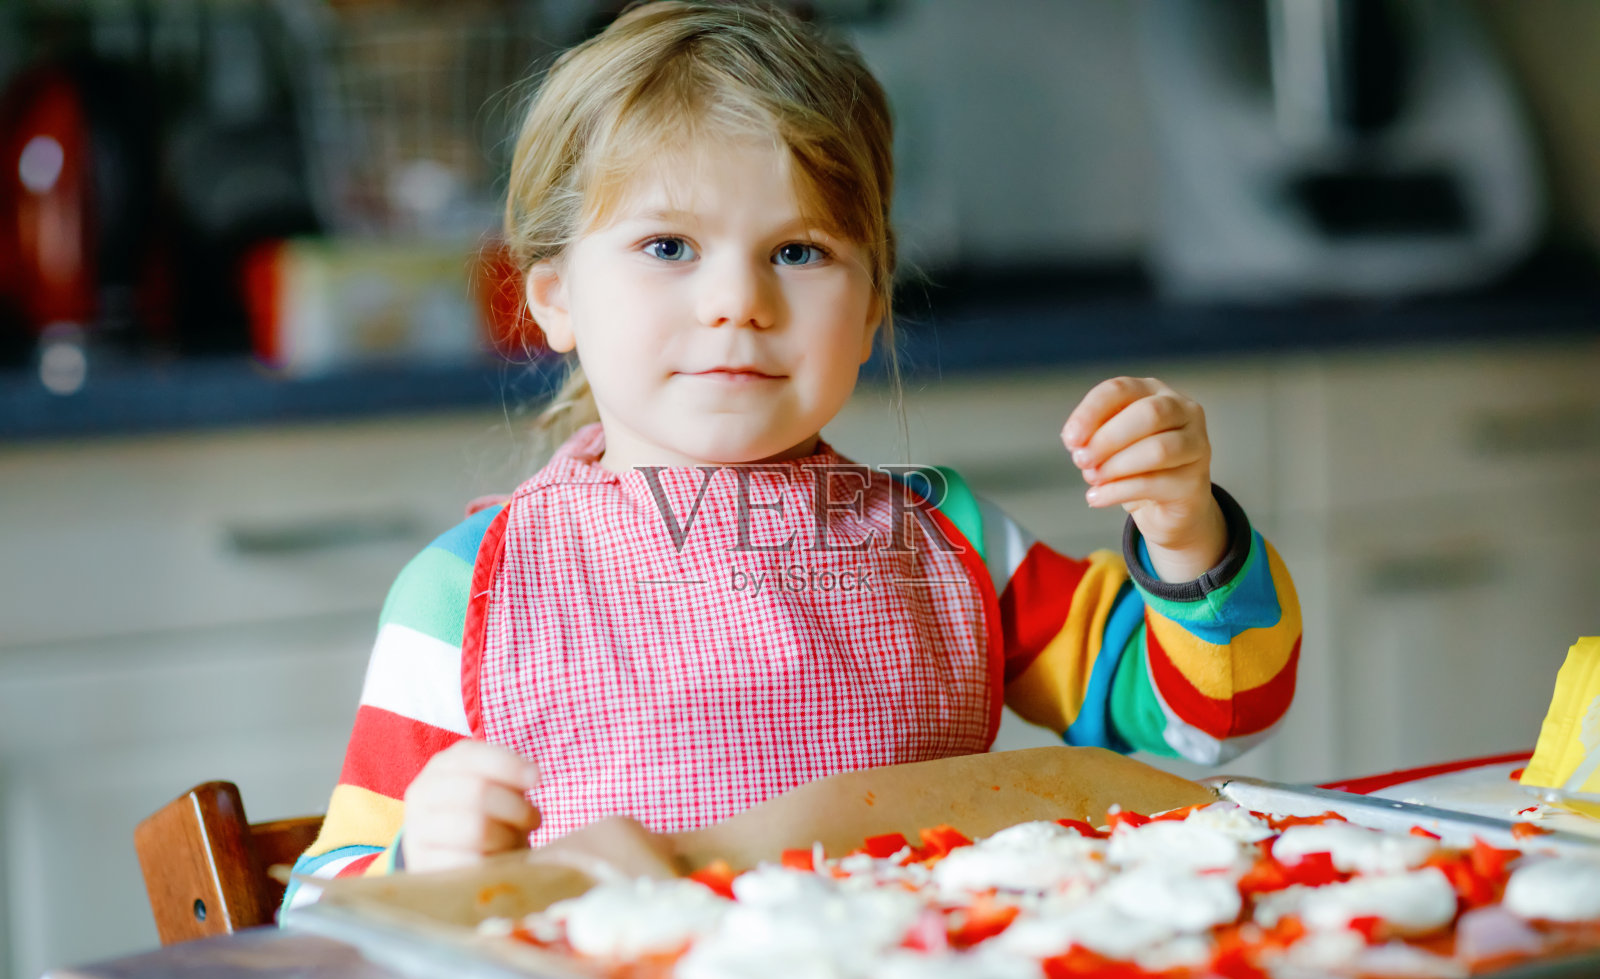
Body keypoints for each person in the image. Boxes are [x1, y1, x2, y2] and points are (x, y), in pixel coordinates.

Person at [286, 0, 1300, 900]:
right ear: (552, 294)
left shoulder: (954, 543)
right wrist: (424, 862)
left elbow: (1202, 727)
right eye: (668, 246)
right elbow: (320, 918)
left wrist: (1183, 531)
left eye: (798, 251)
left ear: (869, 306)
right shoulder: (463, 596)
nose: (740, 300)